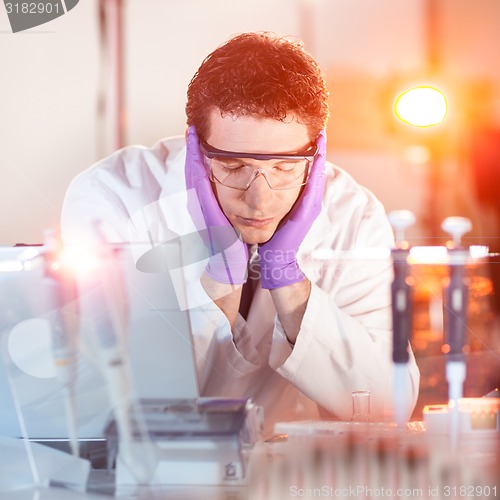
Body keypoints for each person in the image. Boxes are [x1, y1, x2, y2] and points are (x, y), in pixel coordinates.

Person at [62, 32, 420, 436]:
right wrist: (220, 278)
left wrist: (289, 280)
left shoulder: (352, 214)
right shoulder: (114, 197)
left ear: (316, 154)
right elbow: (108, 407)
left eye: (284, 167)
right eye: (233, 165)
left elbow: (390, 405)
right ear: (195, 148)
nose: (259, 200)